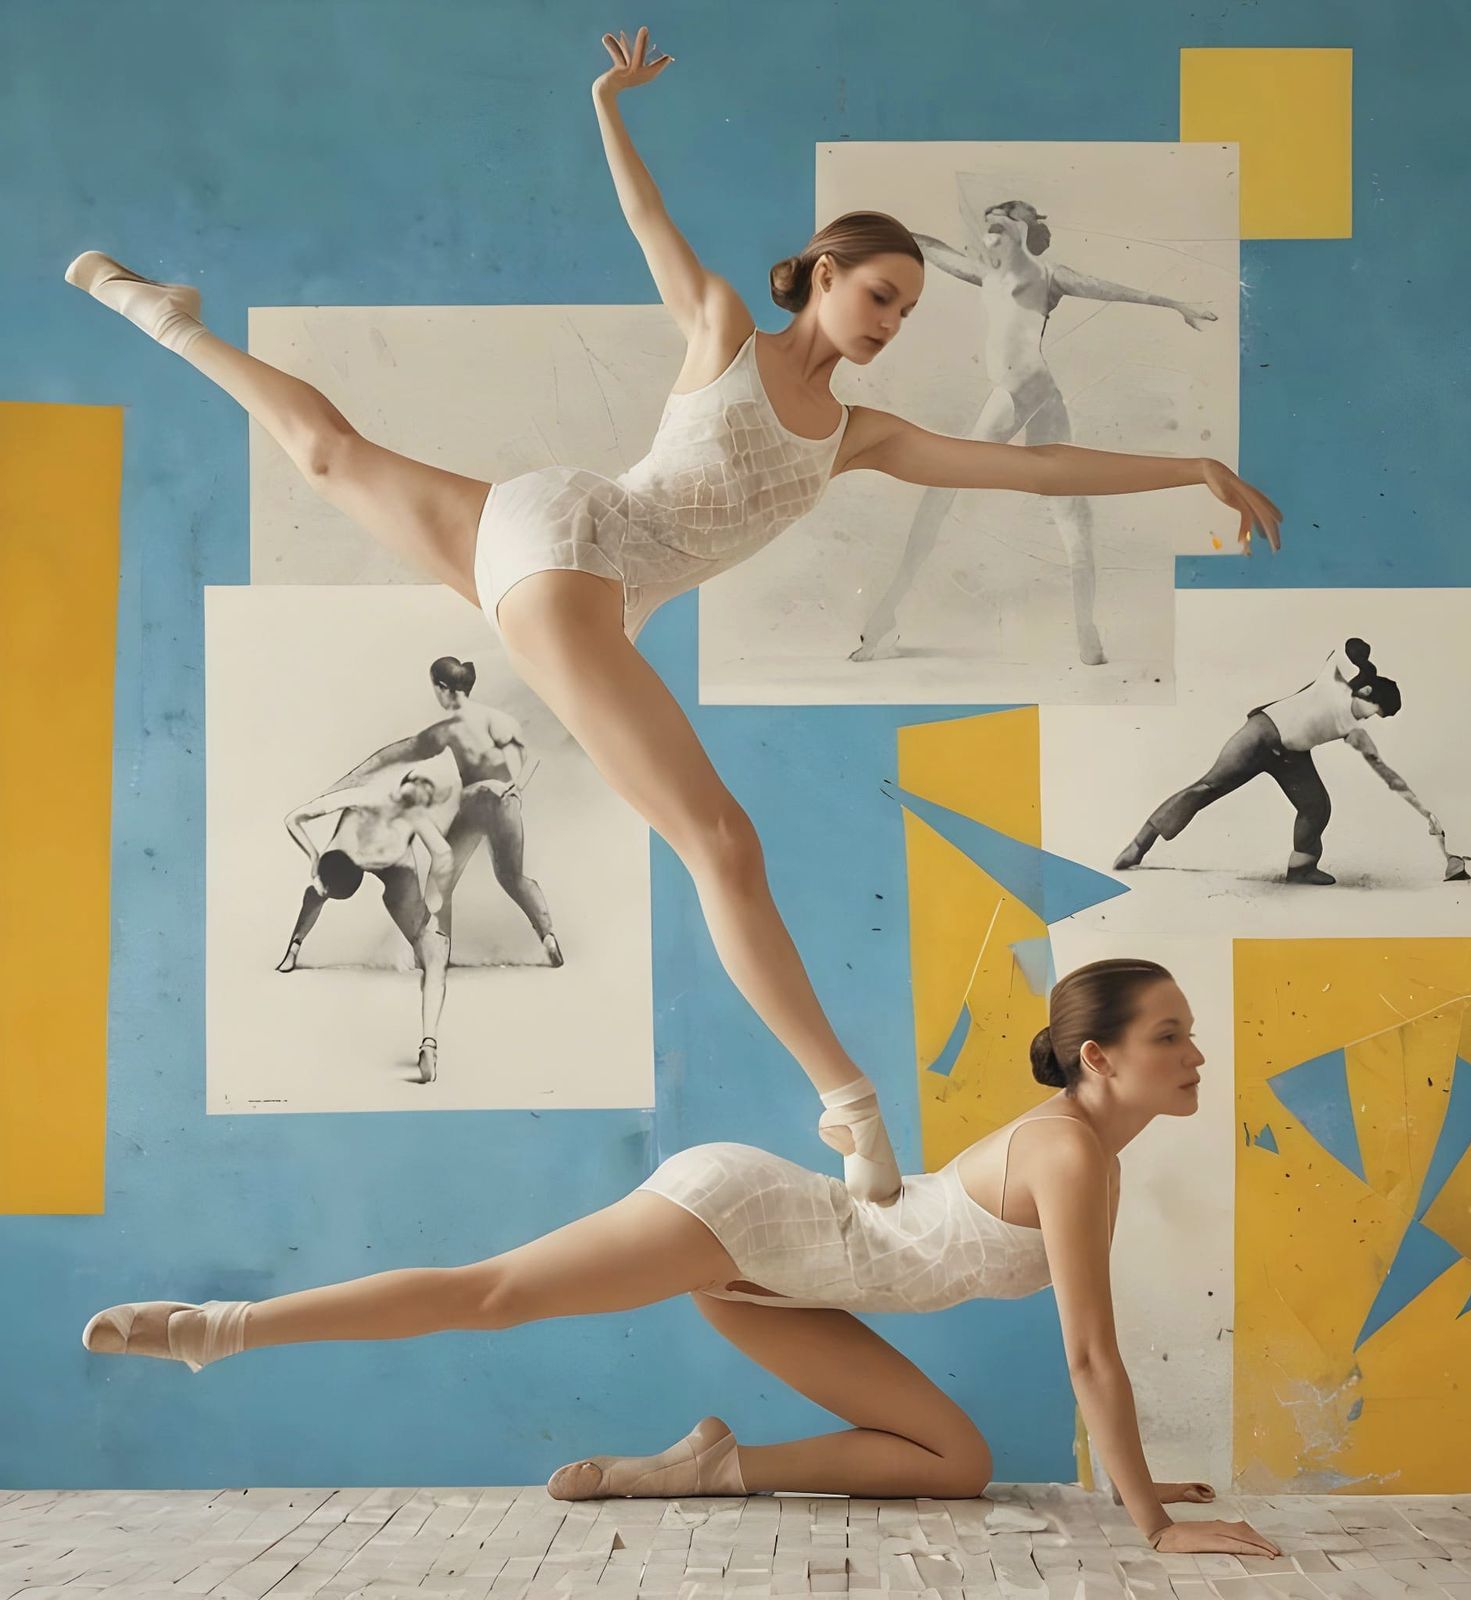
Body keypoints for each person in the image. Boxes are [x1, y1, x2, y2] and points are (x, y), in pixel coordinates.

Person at [64, 27, 1281, 1204]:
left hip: (559, 560)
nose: (891, 321)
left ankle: (151, 309)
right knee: (721, 842)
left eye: (909, 310)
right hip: (575, 550)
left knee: (329, 456)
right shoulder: (723, 332)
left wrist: (1189, 469)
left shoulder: (862, 437)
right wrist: (605, 106)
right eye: (879, 293)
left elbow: (1033, 467)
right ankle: (850, 1104)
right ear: (820, 272)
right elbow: (648, 220)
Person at [81, 958, 1281, 1559]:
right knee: (495, 1293)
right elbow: (1088, 1355)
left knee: (954, 1464)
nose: (1195, 1053)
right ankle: (217, 1327)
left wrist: (1136, 1484)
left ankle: (700, 1468)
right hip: (758, 1220)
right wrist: (1149, 1521)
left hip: (790, 1284)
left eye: (1189, 1032)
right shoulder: (1069, 1153)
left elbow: (1068, 1340)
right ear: (1097, 1059)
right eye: (1169, 1034)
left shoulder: (1087, 1150)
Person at [852, 194, 1218, 667]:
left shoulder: (1048, 277)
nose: (993, 231)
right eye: (989, 224)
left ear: (1023, 232)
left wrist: (1175, 303)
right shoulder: (985, 275)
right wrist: (882, 229)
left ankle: (1084, 631)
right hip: (1038, 395)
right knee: (1044, 506)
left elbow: (1113, 289)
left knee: (1041, 506)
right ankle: (888, 616)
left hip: (1023, 393)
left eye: (1004, 224)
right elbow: (930, 247)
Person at [276, 656, 564, 975]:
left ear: (442, 688)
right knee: (511, 877)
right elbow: (528, 753)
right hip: (499, 803)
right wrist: (515, 786)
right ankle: (547, 936)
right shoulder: (495, 720)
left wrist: (341, 788)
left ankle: (437, 955)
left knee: (439, 889)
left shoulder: (443, 733)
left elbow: (390, 757)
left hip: (469, 806)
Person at [1113, 639, 1449, 885]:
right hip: (1261, 736)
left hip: (1292, 754)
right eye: (1375, 712)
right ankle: (1138, 845)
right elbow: (1345, 648)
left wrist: (1423, 810)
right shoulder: (1335, 690)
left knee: (1316, 806)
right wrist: (1365, 663)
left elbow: (1381, 766)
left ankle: (1301, 869)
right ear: (1366, 694)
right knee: (1208, 787)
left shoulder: (1346, 711)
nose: (1369, 719)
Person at [280, 754, 458, 1082]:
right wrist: (314, 857)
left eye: (427, 792)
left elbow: (444, 854)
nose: (421, 793)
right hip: (350, 862)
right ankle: (295, 944)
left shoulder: (411, 814)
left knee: (434, 951)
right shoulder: (361, 798)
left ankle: (429, 1044)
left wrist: (434, 900)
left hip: (395, 867)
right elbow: (293, 819)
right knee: (318, 890)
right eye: (419, 784)